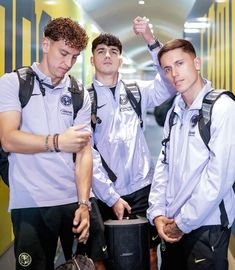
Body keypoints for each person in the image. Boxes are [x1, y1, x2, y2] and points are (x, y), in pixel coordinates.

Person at [81, 17, 176, 270]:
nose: (108, 56)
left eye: (113, 51)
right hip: (102, 193)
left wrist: (149, 40)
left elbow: (168, 83)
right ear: (92, 60)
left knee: (149, 254)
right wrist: (111, 197)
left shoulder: (137, 92)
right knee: (102, 259)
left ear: (120, 60)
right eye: (101, 51)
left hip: (141, 188)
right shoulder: (83, 99)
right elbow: (86, 152)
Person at [0, 17, 93, 270]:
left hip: (70, 202)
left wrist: (84, 203)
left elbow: (85, 153)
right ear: (45, 44)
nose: (68, 63)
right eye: (63, 53)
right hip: (30, 203)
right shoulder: (13, 83)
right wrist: (57, 142)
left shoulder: (79, 93)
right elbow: (8, 139)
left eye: (74, 57)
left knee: (78, 265)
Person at [147, 38, 235, 270]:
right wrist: (157, 213)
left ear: (196, 62)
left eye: (180, 63)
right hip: (172, 226)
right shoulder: (174, 113)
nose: (174, 73)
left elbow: (219, 178)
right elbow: (163, 166)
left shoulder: (223, 107)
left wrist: (183, 223)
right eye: (167, 68)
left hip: (207, 228)